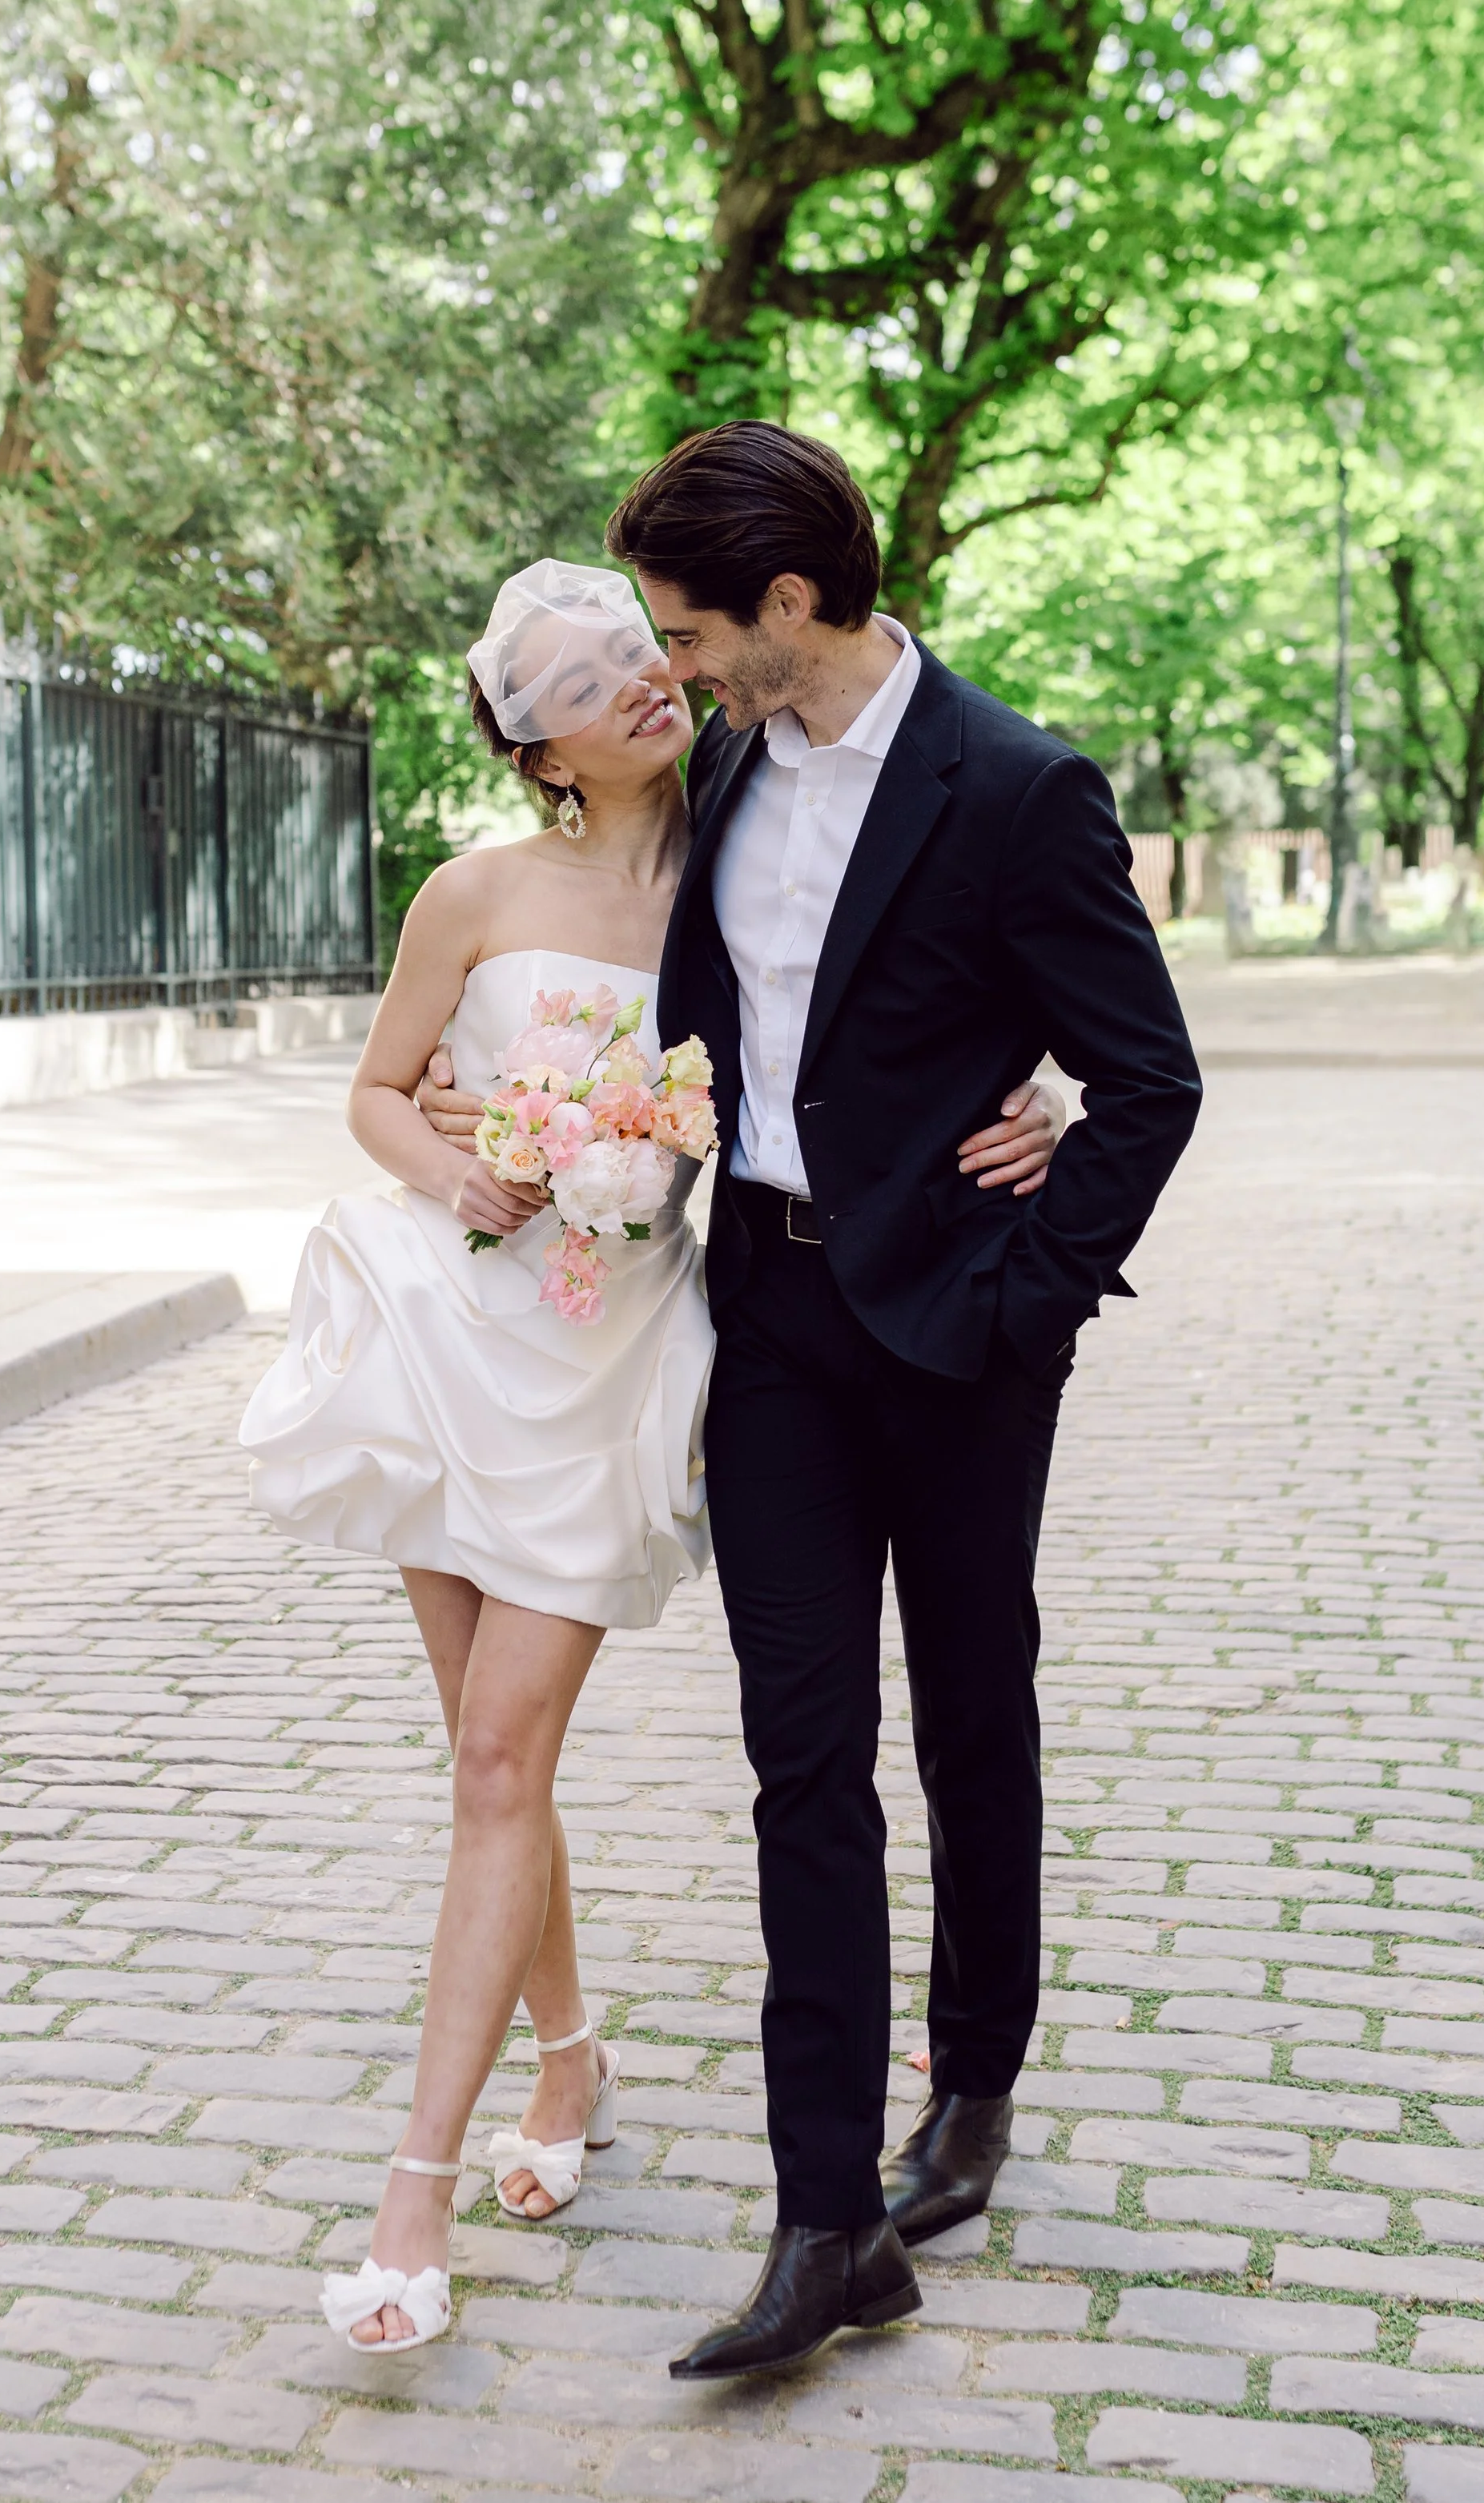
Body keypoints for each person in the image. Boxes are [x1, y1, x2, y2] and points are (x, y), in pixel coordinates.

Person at [417, 422, 1201, 2380]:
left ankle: (975, 2076)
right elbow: (620, 971)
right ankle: (824, 2217)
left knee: (969, 1709)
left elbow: (1148, 1077)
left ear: (788, 603)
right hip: (763, 1320)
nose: (668, 670)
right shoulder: (725, 770)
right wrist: (477, 1099)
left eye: (687, 634)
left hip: (959, 1334)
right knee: (801, 1760)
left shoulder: (1013, 785)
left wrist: (1026, 1278)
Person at [239, 554, 1066, 2356]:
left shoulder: (754, 832)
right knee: (491, 1757)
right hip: (453, 1331)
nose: (633, 678)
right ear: (538, 749)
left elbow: (921, 966)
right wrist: (454, 1159)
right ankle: (566, 2061)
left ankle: (412, 2201)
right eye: (582, 680)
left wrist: (1042, 1092)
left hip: (614, 1357)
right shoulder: (472, 890)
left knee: (499, 1751)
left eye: (636, 647)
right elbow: (379, 1088)